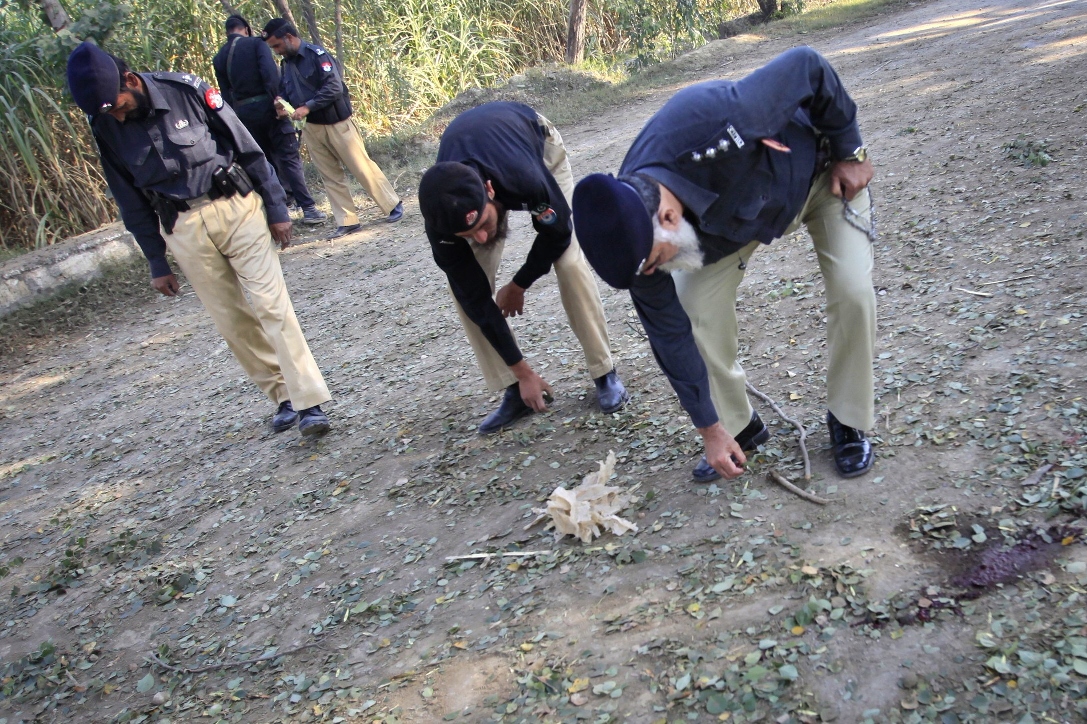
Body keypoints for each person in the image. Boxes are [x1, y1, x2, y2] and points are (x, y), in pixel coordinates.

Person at [572, 47, 876, 482]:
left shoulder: (714, 118)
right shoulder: (632, 239)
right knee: (693, 307)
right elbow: (669, 336)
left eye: (660, 258)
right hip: (740, 221)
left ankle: (848, 419)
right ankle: (739, 429)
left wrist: (851, 150)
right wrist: (709, 429)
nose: (658, 270)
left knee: (853, 291)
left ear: (669, 218)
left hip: (821, 178)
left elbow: (807, 65)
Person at [66, 40, 332, 436]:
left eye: (119, 105)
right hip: (182, 226)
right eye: (109, 112)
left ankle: (310, 402)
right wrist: (157, 261)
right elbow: (130, 199)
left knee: (271, 306)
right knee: (232, 319)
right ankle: (283, 396)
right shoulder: (105, 124)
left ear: (130, 80)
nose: (117, 116)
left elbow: (248, 149)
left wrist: (277, 209)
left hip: (236, 208)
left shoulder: (185, 91)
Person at [418, 102, 628, 434]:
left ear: (489, 190)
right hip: (479, 162)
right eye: (469, 235)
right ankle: (515, 389)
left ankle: (604, 371)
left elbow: (557, 233)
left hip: (536, 146)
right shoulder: (442, 221)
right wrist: (523, 371)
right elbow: (474, 296)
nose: (483, 236)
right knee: (461, 294)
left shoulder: (525, 177)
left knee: (570, 262)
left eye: (484, 222)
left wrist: (519, 284)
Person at [261, 18, 403, 239]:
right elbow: (286, 92)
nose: (277, 51)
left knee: (361, 167)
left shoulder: (317, 56)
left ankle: (391, 205)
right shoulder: (286, 65)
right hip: (312, 128)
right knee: (330, 176)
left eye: (277, 45)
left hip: (338, 123)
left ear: (289, 37)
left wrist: (307, 106)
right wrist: (282, 105)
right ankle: (347, 220)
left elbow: (334, 87)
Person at [212, 14, 327, 226]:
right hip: (270, 108)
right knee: (289, 157)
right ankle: (308, 208)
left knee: (264, 162)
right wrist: (279, 102)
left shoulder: (219, 57)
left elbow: (225, 94)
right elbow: (270, 75)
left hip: (244, 116)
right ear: (246, 29)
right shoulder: (256, 44)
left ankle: (282, 207)